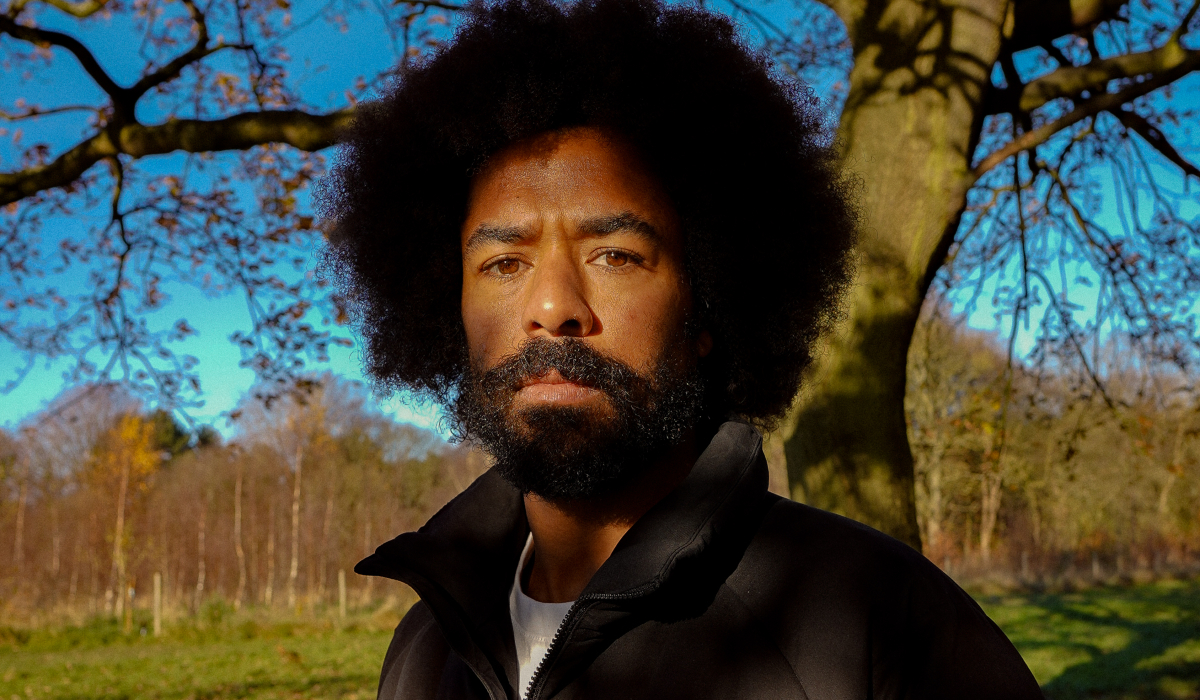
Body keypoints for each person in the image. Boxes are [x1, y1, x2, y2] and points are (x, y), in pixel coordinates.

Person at [318, 0, 1045, 697]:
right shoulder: (424, 647)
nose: (552, 309)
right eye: (504, 264)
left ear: (708, 308)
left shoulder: (885, 621)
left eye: (616, 256)